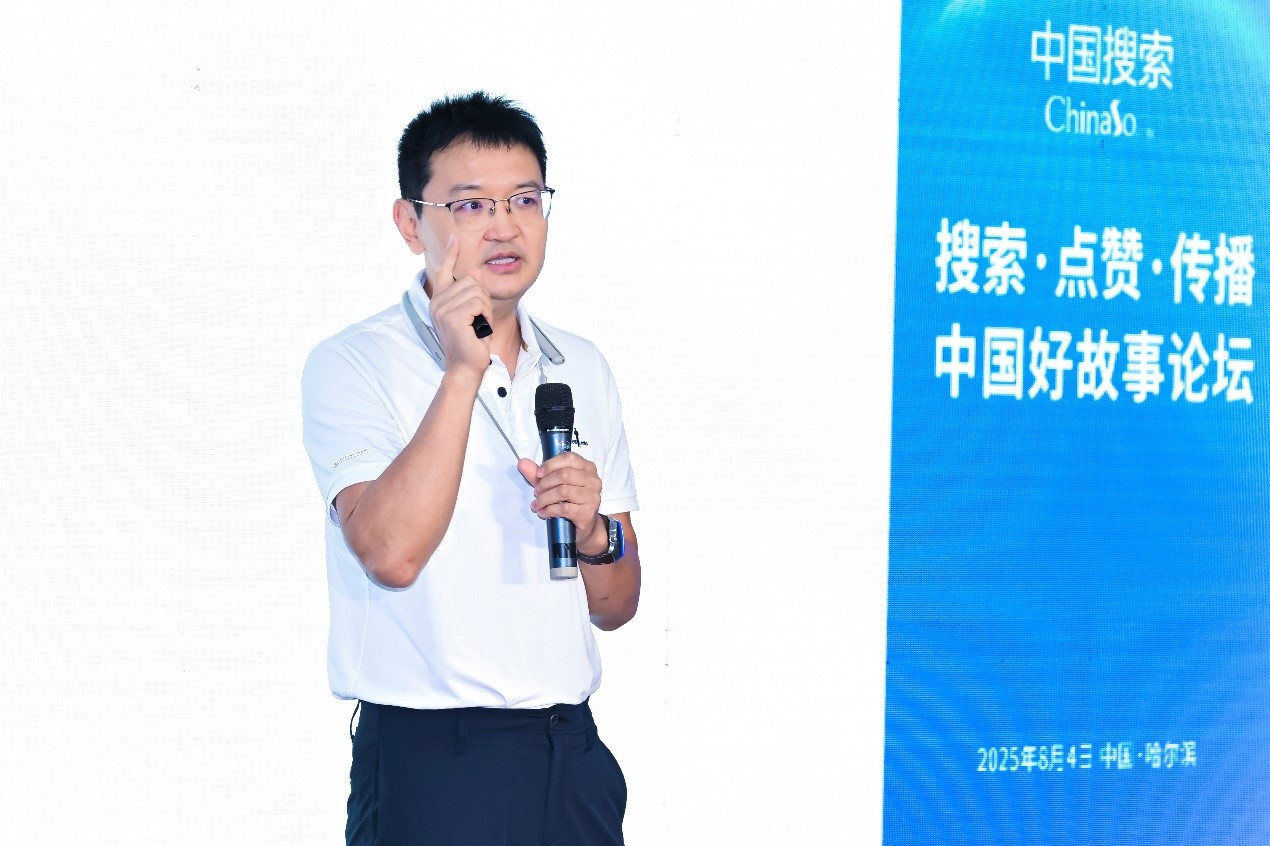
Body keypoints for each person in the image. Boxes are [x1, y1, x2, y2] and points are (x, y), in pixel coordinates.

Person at [301, 92, 641, 846]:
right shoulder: (354, 363)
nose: (505, 225)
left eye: (525, 199)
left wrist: (595, 535)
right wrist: (462, 369)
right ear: (409, 222)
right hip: (434, 762)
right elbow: (391, 555)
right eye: (471, 204)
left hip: (571, 756)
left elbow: (616, 605)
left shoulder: (581, 365)